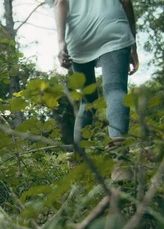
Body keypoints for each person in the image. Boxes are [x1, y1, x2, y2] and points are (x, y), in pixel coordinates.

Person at [52, 0, 139, 181]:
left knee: (87, 100)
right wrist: (133, 40)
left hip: (79, 34)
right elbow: (125, 2)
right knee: (115, 89)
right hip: (112, 26)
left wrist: (61, 42)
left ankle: (77, 159)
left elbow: (60, 2)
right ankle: (120, 160)